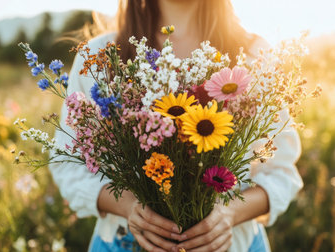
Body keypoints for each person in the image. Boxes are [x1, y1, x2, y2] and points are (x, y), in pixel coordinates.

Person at [49, 0, 303, 251]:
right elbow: (68, 164)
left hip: (234, 244)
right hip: (124, 242)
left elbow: (282, 173)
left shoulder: (255, 56)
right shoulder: (99, 57)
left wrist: (229, 214)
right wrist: (129, 208)